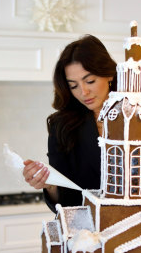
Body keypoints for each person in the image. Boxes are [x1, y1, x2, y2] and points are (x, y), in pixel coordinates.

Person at [23, 35, 117, 212]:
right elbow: (65, 204)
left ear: (109, 74)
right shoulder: (61, 127)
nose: (84, 92)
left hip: (140, 228)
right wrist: (49, 184)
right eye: (73, 85)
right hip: (88, 233)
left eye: (90, 81)